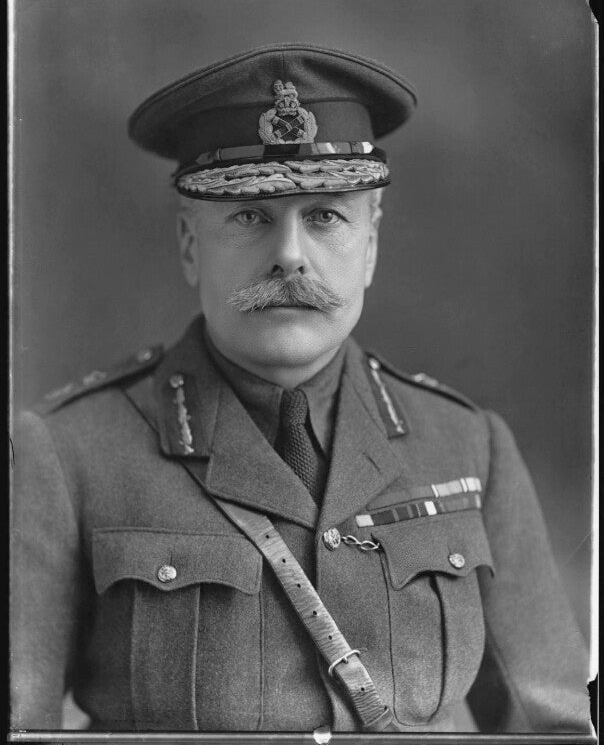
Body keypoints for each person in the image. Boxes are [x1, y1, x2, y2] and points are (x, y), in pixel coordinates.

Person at [10, 43, 592, 734]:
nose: (289, 255)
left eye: (324, 216)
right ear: (191, 246)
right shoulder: (67, 455)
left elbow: (556, 726)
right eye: (251, 216)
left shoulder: (469, 446)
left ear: (370, 246)